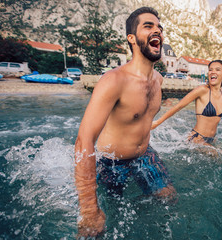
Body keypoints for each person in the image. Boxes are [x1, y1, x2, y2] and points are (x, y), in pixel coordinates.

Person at [74, 7, 176, 237]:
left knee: (169, 197)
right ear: (131, 38)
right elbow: (84, 139)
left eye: (159, 27)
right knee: (109, 217)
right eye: (148, 26)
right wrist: (89, 208)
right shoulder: (114, 80)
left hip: (144, 154)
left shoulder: (158, 80)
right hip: (111, 161)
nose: (157, 30)